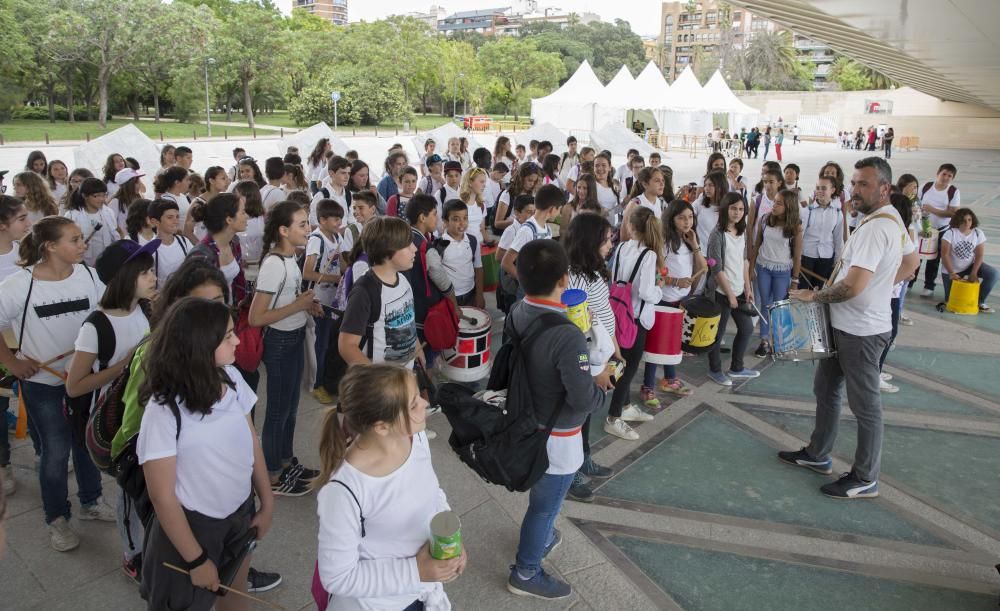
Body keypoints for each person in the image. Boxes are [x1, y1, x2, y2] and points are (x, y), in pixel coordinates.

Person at [780, 157, 918, 499]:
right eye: (854, 183)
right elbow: (911, 262)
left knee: (866, 406)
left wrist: (816, 296)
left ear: (884, 188)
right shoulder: (891, 218)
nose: (855, 190)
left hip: (861, 332)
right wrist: (880, 286)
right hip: (846, 324)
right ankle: (818, 454)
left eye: (864, 184)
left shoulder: (875, 228)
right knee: (826, 390)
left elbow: (852, 286)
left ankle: (865, 476)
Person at [137, 297, 272, 610]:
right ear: (199, 345)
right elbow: (163, 497)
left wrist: (266, 501)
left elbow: (251, 440)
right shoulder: (164, 411)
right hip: (194, 527)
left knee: (235, 591)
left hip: (239, 512)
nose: (237, 339)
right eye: (227, 336)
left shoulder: (232, 378)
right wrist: (196, 559)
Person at [0, 217, 115, 552]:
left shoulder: (90, 275)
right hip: (43, 383)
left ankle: (91, 501)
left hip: (85, 380)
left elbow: (105, 314)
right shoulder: (20, 284)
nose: (83, 245)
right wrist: (13, 362)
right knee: (55, 451)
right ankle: (56, 518)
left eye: (82, 239)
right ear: (50, 246)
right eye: (74, 240)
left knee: (86, 443)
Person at [315, 364, 463, 609]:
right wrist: (417, 570)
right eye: (414, 403)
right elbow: (338, 577)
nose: (425, 403)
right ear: (382, 426)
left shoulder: (415, 438)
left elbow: (432, 493)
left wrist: (449, 539)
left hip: (421, 592)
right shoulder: (343, 491)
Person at [506, 239, 605, 599]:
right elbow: (582, 397)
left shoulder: (518, 310)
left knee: (541, 501)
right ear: (565, 279)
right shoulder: (567, 333)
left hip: (525, 419)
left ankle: (542, 538)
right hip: (558, 434)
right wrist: (602, 386)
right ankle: (526, 572)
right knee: (545, 507)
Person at [249, 201, 322, 497]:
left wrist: (307, 305)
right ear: (283, 230)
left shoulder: (291, 258)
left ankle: (286, 460)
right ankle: (272, 474)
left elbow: (289, 302)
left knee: (291, 407)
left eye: (308, 223)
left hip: (293, 338)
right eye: (302, 225)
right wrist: (298, 305)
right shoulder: (274, 265)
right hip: (278, 343)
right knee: (278, 411)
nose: (309, 229)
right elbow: (256, 317)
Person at [563, 213, 619, 501]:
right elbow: (578, 331)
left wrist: (615, 347)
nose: (610, 244)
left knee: (584, 418)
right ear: (590, 241)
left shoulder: (594, 269)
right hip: (587, 360)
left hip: (602, 353)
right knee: (574, 419)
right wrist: (593, 371)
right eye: (606, 239)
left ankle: (583, 458)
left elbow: (602, 311)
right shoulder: (575, 278)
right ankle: (570, 474)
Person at [605, 207, 664, 440]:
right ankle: (613, 417)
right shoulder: (649, 255)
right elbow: (646, 292)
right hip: (637, 318)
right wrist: (660, 291)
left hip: (618, 313)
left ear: (630, 226)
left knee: (623, 361)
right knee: (628, 370)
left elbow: (614, 278)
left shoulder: (620, 247)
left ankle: (627, 406)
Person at [338, 216, 423, 371]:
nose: (414, 248)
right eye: (407, 245)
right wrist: (377, 380)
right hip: (381, 385)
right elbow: (346, 345)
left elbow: (407, 321)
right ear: (387, 251)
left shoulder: (402, 280)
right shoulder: (364, 291)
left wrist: (417, 346)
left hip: (404, 374)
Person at [642, 200, 704, 400]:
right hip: (662, 301)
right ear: (672, 219)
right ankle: (647, 386)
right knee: (655, 346)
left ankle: (669, 380)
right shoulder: (664, 242)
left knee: (672, 344)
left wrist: (695, 244)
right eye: (682, 218)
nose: (687, 222)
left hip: (681, 302)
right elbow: (656, 275)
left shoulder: (688, 240)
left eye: (690, 217)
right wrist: (675, 280)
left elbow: (704, 266)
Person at [705, 193, 757, 386]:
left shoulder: (741, 232)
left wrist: (748, 287)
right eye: (734, 208)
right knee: (717, 336)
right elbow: (716, 269)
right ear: (726, 209)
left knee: (747, 328)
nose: (737, 213)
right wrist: (729, 295)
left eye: (741, 209)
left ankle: (737, 367)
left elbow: (744, 261)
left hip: (739, 290)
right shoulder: (717, 234)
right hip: (721, 293)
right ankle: (715, 370)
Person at [0, 196, 30, 497]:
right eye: (21, 218)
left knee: (29, 396)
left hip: (24, 341)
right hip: (1, 344)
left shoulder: (23, 252)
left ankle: (42, 448)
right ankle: (3, 463)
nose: (28, 223)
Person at [749, 189, 803, 357]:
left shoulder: (796, 227)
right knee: (765, 304)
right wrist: (750, 268)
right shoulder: (765, 220)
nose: (774, 205)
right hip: (763, 267)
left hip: (782, 271)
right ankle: (764, 341)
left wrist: (795, 279)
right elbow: (756, 244)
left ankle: (779, 341)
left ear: (789, 207)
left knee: (778, 306)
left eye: (779, 203)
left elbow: (797, 255)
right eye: (775, 202)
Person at [303, 199, 345, 404]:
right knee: (318, 344)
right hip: (318, 299)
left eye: (340, 218)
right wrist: (335, 279)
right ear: (322, 220)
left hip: (333, 299)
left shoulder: (336, 236)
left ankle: (326, 381)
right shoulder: (316, 239)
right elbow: (308, 272)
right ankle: (315, 384)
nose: (339, 222)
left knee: (329, 343)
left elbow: (341, 263)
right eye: (335, 219)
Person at [188, 193, 249, 307]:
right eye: (243, 212)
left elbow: (238, 281)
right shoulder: (201, 256)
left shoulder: (233, 242)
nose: (247, 216)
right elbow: (197, 302)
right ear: (229, 219)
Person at [501, 184, 560, 299]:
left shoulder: (547, 228)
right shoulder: (527, 230)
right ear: (552, 209)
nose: (559, 213)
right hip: (529, 290)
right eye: (559, 209)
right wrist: (527, 283)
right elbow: (506, 262)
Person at [940, 208, 995, 313]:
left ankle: (979, 301)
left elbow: (979, 255)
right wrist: (951, 273)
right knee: (950, 300)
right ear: (958, 221)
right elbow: (945, 254)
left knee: (994, 274)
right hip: (951, 269)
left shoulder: (978, 233)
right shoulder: (950, 233)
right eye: (964, 220)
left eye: (969, 220)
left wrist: (974, 273)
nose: (967, 223)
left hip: (970, 266)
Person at [919, 163, 961, 298]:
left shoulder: (953, 191)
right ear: (938, 173)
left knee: (934, 259)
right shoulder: (925, 186)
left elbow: (953, 213)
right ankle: (909, 282)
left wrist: (932, 210)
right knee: (916, 256)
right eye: (944, 174)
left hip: (941, 230)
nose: (946, 178)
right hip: (922, 228)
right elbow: (916, 203)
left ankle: (929, 286)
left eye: (950, 176)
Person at [63, 177, 122, 266]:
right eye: (96, 196)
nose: (101, 199)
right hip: (83, 261)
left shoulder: (108, 212)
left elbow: (116, 233)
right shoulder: (72, 215)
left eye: (103, 195)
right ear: (84, 196)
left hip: (107, 259)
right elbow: (66, 241)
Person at [799, 175, 844, 289]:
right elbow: (800, 236)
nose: (819, 191)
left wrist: (837, 260)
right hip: (807, 255)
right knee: (802, 289)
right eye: (817, 188)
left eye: (823, 188)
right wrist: (797, 258)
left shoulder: (838, 213)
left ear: (832, 190)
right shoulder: (807, 211)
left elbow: (838, 239)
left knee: (819, 291)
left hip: (826, 257)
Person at [438, 200, 484, 308]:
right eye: (455, 219)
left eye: (465, 218)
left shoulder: (473, 240)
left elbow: (478, 268)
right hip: (449, 297)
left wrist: (479, 294)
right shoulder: (439, 245)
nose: (462, 223)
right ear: (445, 221)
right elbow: (437, 275)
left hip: (471, 292)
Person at [619, 167, 666, 242]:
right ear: (645, 184)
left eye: (663, 180)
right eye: (657, 180)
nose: (662, 184)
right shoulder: (635, 204)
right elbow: (624, 235)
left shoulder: (661, 203)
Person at [494, 163, 541, 232]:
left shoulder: (532, 194)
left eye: (534, 181)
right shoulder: (507, 194)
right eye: (530, 180)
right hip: (509, 231)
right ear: (520, 178)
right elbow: (497, 224)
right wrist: (519, 220)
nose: (532, 184)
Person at [339, 190, 378, 269]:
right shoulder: (351, 230)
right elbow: (348, 258)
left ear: (373, 209)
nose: (356, 212)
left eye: (360, 208)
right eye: (354, 208)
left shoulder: (384, 227)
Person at [310, 156, 352, 227]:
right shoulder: (321, 196)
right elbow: (314, 224)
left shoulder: (349, 195)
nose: (347, 177)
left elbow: (352, 221)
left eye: (349, 173)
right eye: (343, 173)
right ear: (331, 173)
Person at [694, 170, 730, 249]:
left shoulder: (728, 207)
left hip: (720, 252)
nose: (706, 188)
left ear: (720, 187)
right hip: (701, 252)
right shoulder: (699, 203)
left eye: (710, 185)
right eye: (705, 185)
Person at [154, 166, 192, 232]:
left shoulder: (183, 196)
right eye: (186, 180)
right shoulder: (167, 200)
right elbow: (168, 226)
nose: (189, 182)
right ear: (177, 182)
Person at [110, 168, 146, 235]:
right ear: (127, 184)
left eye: (139, 182)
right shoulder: (116, 202)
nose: (139, 185)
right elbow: (111, 225)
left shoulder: (141, 198)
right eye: (136, 183)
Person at [458, 167, 487, 243]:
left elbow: (482, 228)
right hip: (464, 248)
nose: (484, 185)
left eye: (485, 182)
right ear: (470, 183)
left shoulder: (482, 205)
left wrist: (488, 241)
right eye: (481, 182)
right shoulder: (459, 204)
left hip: (479, 245)